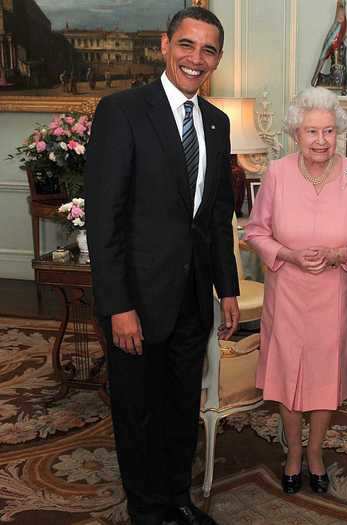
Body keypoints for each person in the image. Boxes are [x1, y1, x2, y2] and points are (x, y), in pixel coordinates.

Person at [85, 7, 237, 525]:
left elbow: (216, 216)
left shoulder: (217, 123)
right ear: (165, 45)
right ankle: (146, 511)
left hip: (193, 301)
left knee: (178, 412)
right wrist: (118, 306)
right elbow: (105, 220)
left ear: (218, 58)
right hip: (137, 302)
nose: (197, 59)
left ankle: (176, 499)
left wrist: (228, 288)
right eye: (187, 45)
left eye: (209, 50)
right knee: (138, 413)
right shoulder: (122, 111)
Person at [245, 86, 347, 496]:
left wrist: (343, 254)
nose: (321, 141)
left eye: (328, 132)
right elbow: (255, 231)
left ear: (338, 132)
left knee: (324, 375)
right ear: (295, 134)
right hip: (286, 290)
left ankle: (316, 452)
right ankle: (291, 454)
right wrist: (287, 254)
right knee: (287, 372)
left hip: (333, 294)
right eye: (311, 132)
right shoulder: (277, 173)